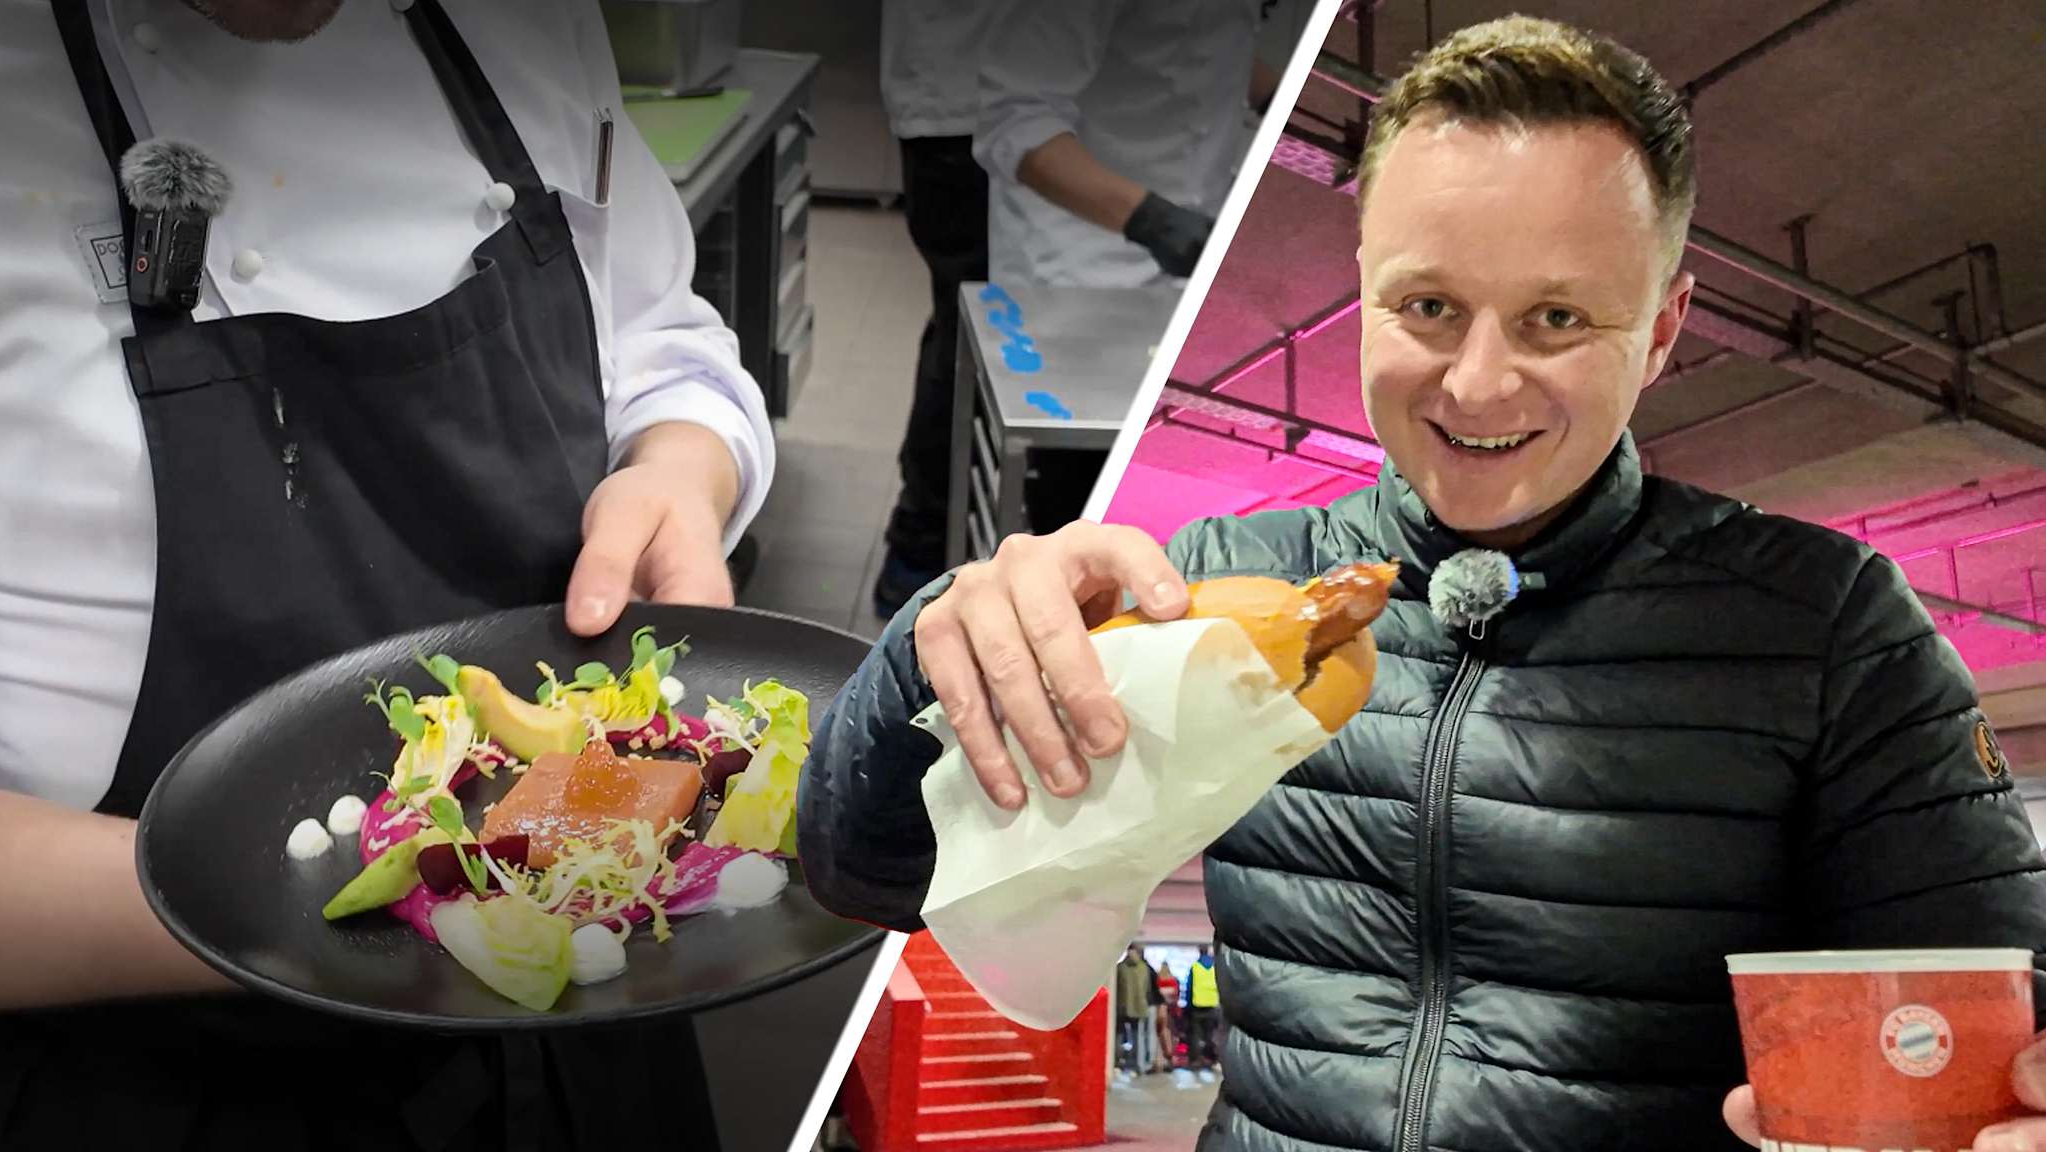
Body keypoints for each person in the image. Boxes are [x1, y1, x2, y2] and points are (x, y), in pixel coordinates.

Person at [796, 15, 2046, 1152]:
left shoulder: (1826, 628)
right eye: (1429, 305)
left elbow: (1992, 1014)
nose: (1477, 383)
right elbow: (866, 871)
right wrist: (939, 648)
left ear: (1662, 331)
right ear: (1361, 297)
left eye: (1557, 319)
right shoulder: (1216, 582)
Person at [0, 0, 769, 1147]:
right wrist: (389, 906)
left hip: (590, 1012)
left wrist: (677, 472)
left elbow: (657, 330)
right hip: (159, 1084)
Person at [969, 0, 1281, 561]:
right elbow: (1013, 119)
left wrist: (1280, 96)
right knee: (1077, 509)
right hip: (1080, 265)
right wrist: (1152, 221)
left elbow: (1195, 39)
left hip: (1187, 255)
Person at [872, 0, 999, 617]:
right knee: (970, 336)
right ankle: (918, 559)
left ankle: (918, 553)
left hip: (976, 102)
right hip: (967, 110)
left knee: (963, 330)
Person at [1114, 944, 1152, 1073]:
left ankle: (1117, 1061)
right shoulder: (1144, 968)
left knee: (1119, 1034)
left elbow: (1117, 988)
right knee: (1137, 1036)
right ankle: (1136, 1063)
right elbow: (1147, 988)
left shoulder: (1120, 968)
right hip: (1139, 1007)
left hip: (1122, 1006)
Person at [1183, 945, 1220, 1075]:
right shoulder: (1215, 966)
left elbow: (1189, 987)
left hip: (1197, 1006)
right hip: (1212, 1005)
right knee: (1210, 1034)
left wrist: (1187, 1005)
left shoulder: (1195, 967)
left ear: (1199, 952)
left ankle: (1195, 1060)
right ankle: (1211, 1059)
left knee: (1195, 1035)